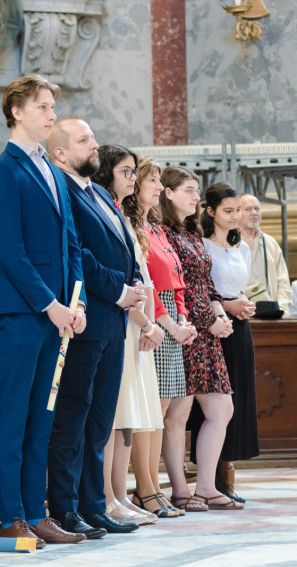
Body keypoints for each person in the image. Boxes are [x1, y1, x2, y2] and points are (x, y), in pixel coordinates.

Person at [0, 75, 86, 547]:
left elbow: (71, 245)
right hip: (24, 312)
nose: (51, 114)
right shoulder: (3, 170)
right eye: (43, 106)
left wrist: (77, 301)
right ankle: (10, 516)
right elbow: (10, 250)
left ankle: (35, 512)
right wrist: (50, 304)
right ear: (16, 111)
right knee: (14, 414)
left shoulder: (54, 171)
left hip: (59, 313)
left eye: (52, 106)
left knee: (43, 415)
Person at [45, 121, 144, 538]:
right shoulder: (61, 190)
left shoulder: (100, 192)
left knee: (100, 418)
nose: (94, 144)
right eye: (84, 140)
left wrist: (135, 282)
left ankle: (93, 503)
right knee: (73, 414)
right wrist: (119, 290)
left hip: (114, 321)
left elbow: (123, 247)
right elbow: (78, 254)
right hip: (87, 318)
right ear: (61, 153)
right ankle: (65, 506)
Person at [159, 166, 242, 511]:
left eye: (196, 190)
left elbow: (205, 284)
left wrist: (220, 315)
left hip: (206, 332)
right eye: (189, 190)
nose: (196, 196)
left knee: (222, 408)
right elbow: (177, 287)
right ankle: (180, 490)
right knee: (178, 414)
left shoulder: (191, 231)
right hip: (184, 330)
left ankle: (206, 486)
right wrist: (209, 320)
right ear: (168, 193)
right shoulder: (163, 232)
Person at [90, 147, 163, 527]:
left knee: (125, 419)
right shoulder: (98, 209)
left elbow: (138, 273)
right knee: (113, 416)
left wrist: (147, 321)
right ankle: (104, 497)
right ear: (107, 173)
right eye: (126, 171)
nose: (133, 178)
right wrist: (145, 321)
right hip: (118, 318)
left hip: (133, 320)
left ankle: (118, 495)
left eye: (135, 171)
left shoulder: (119, 212)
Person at [136, 158, 196, 518]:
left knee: (163, 410)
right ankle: (146, 487)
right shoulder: (136, 228)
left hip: (172, 316)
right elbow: (149, 285)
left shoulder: (156, 229)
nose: (159, 187)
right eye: (153, 182)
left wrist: (183, 319)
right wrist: (170, 325)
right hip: (156, 318)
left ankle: (155, 486)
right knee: (152, 410)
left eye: (161, 181)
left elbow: (177, 281)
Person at [199, 182, 259, 503]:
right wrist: (228, 306)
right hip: (214, 327)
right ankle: (210, 476)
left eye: (238, 210)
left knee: (239, 395)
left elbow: (240, 286)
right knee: (217, 402)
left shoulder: (242, 247)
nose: (235, 216)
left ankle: (226, 471)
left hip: (240, 327)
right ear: (211, 211)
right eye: (228, 211)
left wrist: (244, 304)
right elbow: (204, 290)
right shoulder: (202, 245)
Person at [239, 194, 292, 315]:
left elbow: (283, 280)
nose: (254, 213)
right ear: (238, 213)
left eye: (257, 209)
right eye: (248, 209)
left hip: (270, 314)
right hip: (241, 314)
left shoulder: (270, 243)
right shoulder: (231, 243)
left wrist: (282, 309)